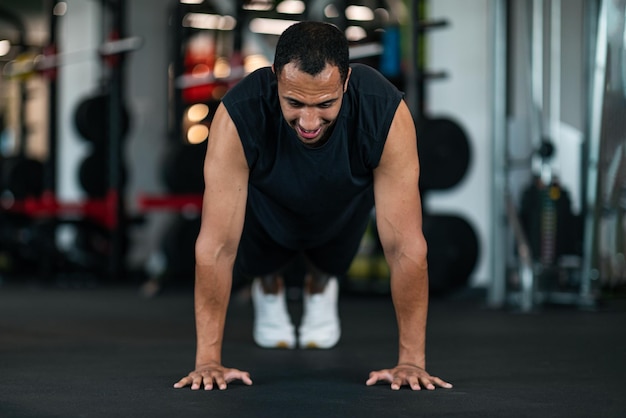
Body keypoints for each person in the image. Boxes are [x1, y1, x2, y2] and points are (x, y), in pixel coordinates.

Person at [173, 21, 452, 391]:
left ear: (347, 81)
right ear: (275, 78)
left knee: (328, 260)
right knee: (261, 258)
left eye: (325, 104)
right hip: (267, 207)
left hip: (341, 208)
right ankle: (268, 282)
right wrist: (208, 361)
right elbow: (217, 246)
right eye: (294, 102)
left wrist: (411, 362)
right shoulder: (239, 114)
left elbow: (405, 248)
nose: (308, 121)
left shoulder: (384, 111)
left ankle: (319, 280)